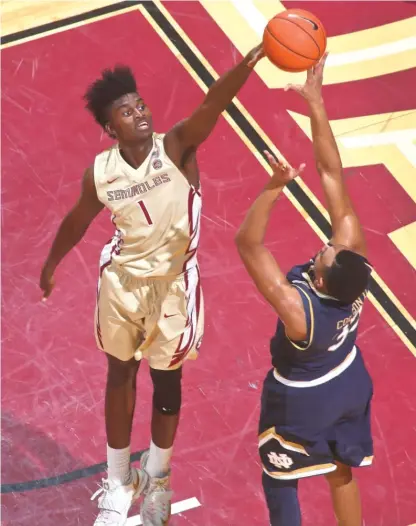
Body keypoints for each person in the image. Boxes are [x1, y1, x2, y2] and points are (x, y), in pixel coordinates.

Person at [39, 45, 264, 526]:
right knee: (118, 375)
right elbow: (77, 221)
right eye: (126, 110)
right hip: (122, 285)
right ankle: (120, 482)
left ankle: (157, 475)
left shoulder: (178, 146)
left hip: (175, 289)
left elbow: (213, 104)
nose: (139, 112)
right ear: (110, 128)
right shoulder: (101, 172)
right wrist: (52, 263)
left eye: (140, 104)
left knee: (167, 383)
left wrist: (247, 64)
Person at [235, 53, 374, 526]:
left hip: (305, 396)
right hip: (350, 379)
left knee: (280, 481)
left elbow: (248, 245)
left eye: (323, 255)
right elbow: (332, 174)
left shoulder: (300, 311)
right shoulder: (354, 260)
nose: (325, 245)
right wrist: (316, 103)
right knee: (340, 470)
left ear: (319, 281)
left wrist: (274, 187)